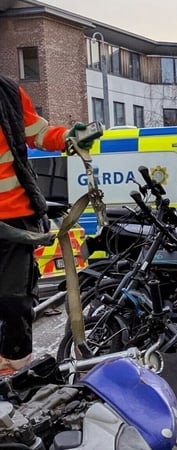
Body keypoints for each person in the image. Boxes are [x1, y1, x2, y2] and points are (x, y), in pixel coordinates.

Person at [0, 74, 91, 375]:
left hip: (14, 218)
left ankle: (15, 364)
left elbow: (37, 133)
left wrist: (68, 137)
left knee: (13, 298)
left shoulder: (7, 93)